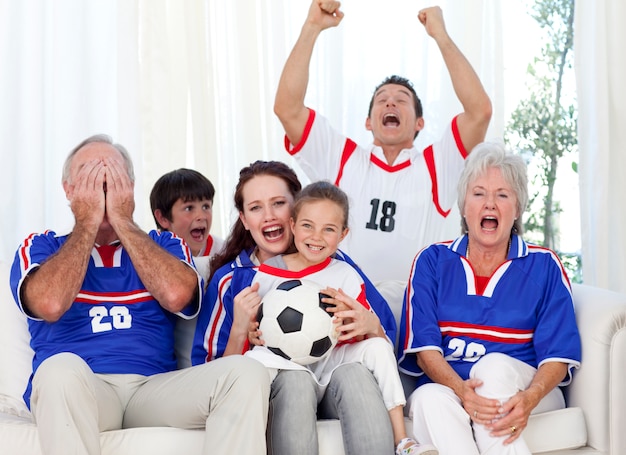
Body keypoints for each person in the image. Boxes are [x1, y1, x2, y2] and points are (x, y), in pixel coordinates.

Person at [9, 134, 269, 455]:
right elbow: (49, 303)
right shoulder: (41, 246)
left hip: (152, 389)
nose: (103, 186)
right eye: (91, 176)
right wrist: (88, 222)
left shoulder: (165, 243)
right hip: (83, 388)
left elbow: (177, 296)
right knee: (57, 371)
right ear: (69, 190)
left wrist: (122, 219)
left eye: (113, 177)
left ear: (129, 187)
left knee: (246, 372)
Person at [274, 1, 493, 282]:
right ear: (368, 122)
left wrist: (441, 36)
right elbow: (287, 108)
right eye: (382, 99)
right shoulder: (343, 157)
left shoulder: (437, 164)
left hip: (415, 305)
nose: (391, 101)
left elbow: (480, 111)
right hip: (346, 304)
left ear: (419, 123)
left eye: (402, 99)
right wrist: (311, 27)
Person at [191, 160, 398, 455]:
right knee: (296, 382)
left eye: (278, 203)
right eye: (256, 208)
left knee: (355, 375)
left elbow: (385, 342)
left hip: (332, 385)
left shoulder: (337, 267)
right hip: (280, 389)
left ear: (297, 208)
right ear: (245, 219)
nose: (269, 217)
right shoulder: (232, 279)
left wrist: (369, 325)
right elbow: (208, 379)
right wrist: (240, 331)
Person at [397, 142, 582, 454]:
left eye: (503, 195)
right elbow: (425, 352)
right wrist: (462, 391)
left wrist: (531, 396)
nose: (490, 204)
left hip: (523, 389)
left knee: (492, 368)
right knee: (429, 398)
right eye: (479, 193)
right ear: (464, 205)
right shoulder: (432, 261)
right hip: (451, 387)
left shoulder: (544, 265)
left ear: (518, 207)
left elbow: (558, 357)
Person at [246, 180, 438, 455]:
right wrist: (254, 333)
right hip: (290, 367)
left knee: (378, 346)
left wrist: (366, 325)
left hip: (334, 363)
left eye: (329, 229)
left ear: (343, 234)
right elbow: (258, 325)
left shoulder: (345, 274)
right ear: (292, 225)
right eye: (308, 226)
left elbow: (359, 328)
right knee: (253, 361)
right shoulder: (268, 273)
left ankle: (402, 440)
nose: (316, 237)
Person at [149, 167, 224, 282]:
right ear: (162, 218)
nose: (201, 216)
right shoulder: (151, 254)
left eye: (206, 206)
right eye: (189, 208)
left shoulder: (223, 251)